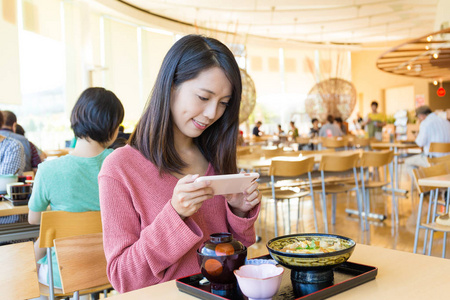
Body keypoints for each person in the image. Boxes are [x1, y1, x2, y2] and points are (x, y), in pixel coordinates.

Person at [98, 34, 261, 293]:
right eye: (203, 97)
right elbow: (123, 277)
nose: (212, 114)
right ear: (171, 85)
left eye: (223, 104)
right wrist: (175, 214)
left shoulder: (215, 157)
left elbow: (236, 257)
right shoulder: (120, 168)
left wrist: (239, 212)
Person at [27, 87, 124, 289]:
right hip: (113, 271)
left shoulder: (48, 170)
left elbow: (34, 219)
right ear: (113, 129)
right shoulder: (122, 165)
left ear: (75, 119)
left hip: (60, 276)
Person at [405, 105, 450, 176]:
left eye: (418, 118)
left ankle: (422, 184)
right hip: (447, 160)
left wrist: (417, 136)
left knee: (407, 162)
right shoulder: (446, 122)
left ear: (421, 116)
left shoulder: (425, 123)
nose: (419, 120)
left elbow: (420, 143)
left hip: (432, 160)